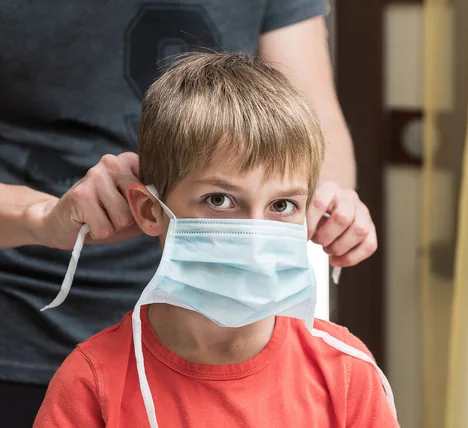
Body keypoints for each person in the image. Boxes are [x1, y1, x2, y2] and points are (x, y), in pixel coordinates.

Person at [0, 2, 377, 425]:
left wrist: (331, 203)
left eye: (281, 205)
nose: (255, 233)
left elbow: (317, 113)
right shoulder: (87, 384)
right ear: (149, 209)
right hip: (21, 327)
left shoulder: (345, 375)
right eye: (219, 200)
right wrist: (39, 215)